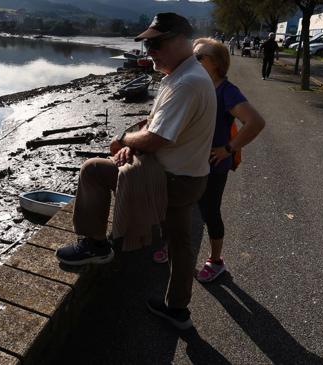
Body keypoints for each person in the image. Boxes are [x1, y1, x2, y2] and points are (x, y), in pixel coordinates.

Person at [55, 13, 216, 330]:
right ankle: (177, 309)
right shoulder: (186, 75)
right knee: (181, 242)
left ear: (181, 40)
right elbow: (158, 126)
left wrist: (124, 140)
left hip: (171, 179)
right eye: (148, 44)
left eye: (156, 43)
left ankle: (97, 245)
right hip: (193, 178)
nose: (150, 51)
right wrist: (137, 146)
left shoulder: (186, 83)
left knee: (93, 170)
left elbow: (156, 137)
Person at [152, 38, 266, 282]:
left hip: (213, 165)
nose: (193, 60)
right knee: (171, 205)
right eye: (192, 55)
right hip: (186, 159)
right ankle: (169, 244)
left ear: (217, 63)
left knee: (209, 212)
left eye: (200, 57)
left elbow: (256, 122)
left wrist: (228, 148)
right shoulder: (192, 84)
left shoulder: (226, 91)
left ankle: (216, 261)